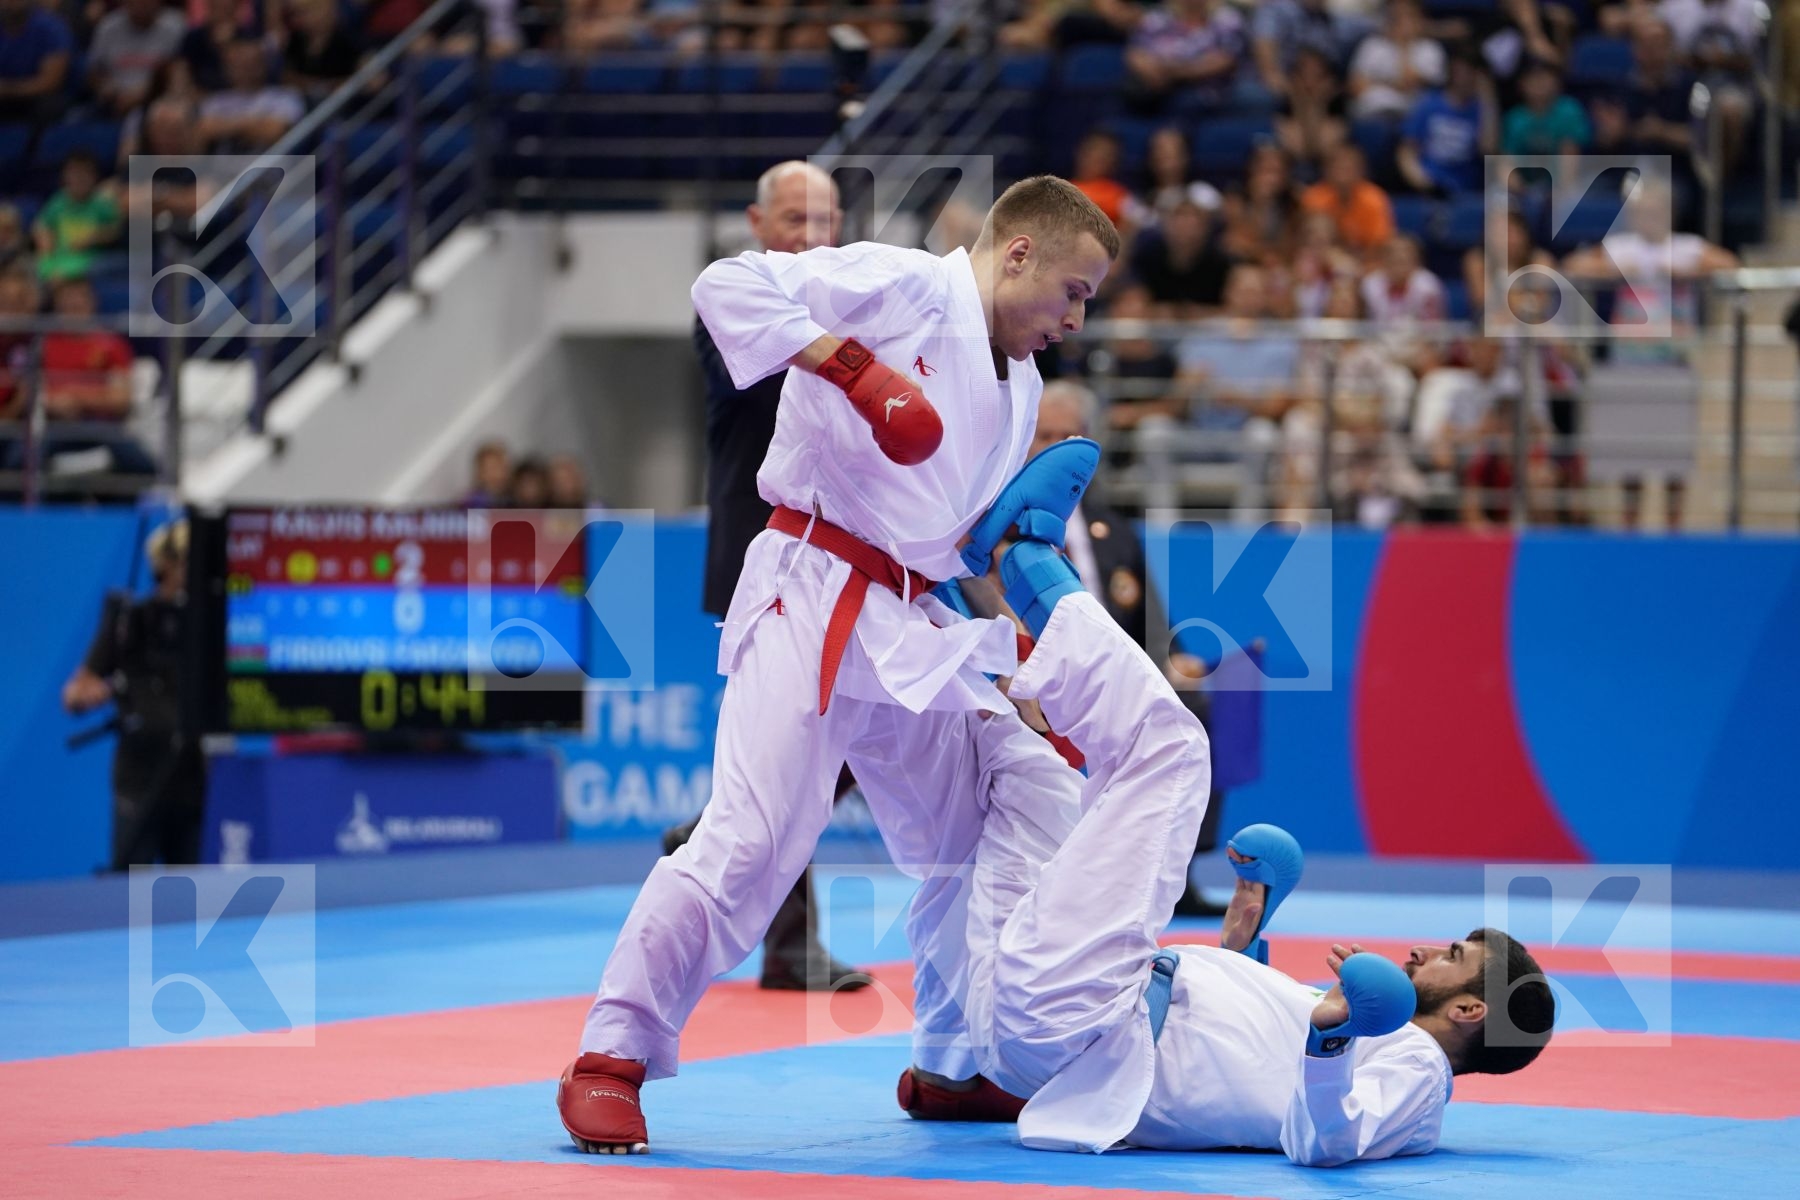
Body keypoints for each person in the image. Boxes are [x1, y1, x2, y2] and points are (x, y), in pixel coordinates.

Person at [558, 175, 1121, 1153]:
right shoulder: (901, 285)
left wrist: (1039, 655)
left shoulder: (1021, 384)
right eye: (1074, 291)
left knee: (991, 816)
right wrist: (852, 367)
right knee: (755, 839)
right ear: (1020, 253)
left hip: (915, 616)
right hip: (813, 581)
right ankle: (611, 1055)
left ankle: (953, 1062)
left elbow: (955, 545)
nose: (1077, 318)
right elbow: (726, 285)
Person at [940, 557, 1554, 1161]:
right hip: (1038, 1034)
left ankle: (1029, 562)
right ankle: (923, 576)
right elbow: (1233, 1060)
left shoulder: (1415, 1067)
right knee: (1022, 768)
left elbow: (1323, 1140)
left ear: (1471, 1010)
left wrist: (1332, 1038)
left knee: (1173, 750)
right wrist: (1242, 943)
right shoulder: (1373, 1031)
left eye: (1453, 957)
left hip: (1080, 1017)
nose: (1424, 951)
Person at [682, 159, 871, 995]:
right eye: (796, 221)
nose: (813, 239)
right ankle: (791, 946)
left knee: (843, 751)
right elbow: (792, 372)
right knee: (796, 752)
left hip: (842, 565)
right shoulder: (727, 306)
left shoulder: (851, 299)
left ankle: (701, 835)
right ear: (758, 227)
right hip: (760, 563)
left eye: (827, 222)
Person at [63, 519, 207, 870]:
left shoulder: (206, 623)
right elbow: (73, 694)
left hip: (191, 785)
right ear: (168, 565)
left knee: (187, 901)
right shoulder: (131, 623)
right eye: (188, 560)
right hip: (138, 785)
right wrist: (91, 694)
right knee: (130, 901)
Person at [32, 151, 121, 284]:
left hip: (91, 259)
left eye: (85, 174)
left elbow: (116, 230)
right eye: (74, 174)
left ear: (94, 177)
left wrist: (95, 237)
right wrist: (45, 247)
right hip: (59, 257)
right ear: (65, 176)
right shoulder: (57, 202)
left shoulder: (102, 203)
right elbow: (41, 226)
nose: (79, 179)